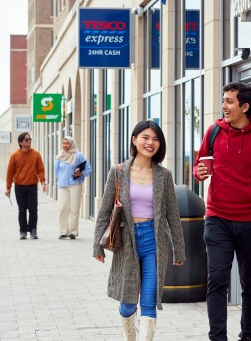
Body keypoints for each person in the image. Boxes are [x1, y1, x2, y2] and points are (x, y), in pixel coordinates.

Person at [193, 82, 251, 341]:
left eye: (229, 101)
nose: (223, 106)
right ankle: (218, 338)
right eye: (223, 100)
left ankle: (248, 336)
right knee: (217, 281)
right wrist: (198, 173)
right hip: (217, 219)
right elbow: (199, 167)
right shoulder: (213, 132)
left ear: (244, 106)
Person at [93, 120, 186, 341]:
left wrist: (179, 250)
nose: (150, 143)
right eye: (145, 137)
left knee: (149, 302)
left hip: (154, 242)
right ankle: (129, 336)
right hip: (127, 242)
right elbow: (105, 211)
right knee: (127, 304)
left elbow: (173, 215)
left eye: (155, 139)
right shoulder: (118, 172)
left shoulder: (164, 175)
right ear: (134, 140)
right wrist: (98, 245)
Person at [5, 132, 47, 239]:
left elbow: (40, 170)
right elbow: (10, 172)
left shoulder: (36, 155)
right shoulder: (14, 155)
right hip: (19, 187)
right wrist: (8, 187)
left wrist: (43, 182)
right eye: (27, 139)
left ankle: (33, 230)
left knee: (33, 209)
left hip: (32, 186)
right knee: (22, 210)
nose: (29, 141)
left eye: (30, 139)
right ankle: (23, 231)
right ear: (21, 142)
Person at [54, 136, 91, 239]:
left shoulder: (78, 156)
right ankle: (63, 231)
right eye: (63, 143)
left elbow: (88, 168)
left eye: (67, 143)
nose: (65, 145)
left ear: (71, 144)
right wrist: (61, 179)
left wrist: (80, 174)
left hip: (75, 184)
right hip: (62, 186)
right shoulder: (59, 157)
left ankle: (73, 232)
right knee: (62, 208)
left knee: (74, 208)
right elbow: (56, 172)